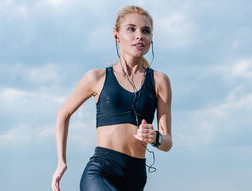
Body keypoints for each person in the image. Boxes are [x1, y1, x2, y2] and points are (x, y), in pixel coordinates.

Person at [51, 5, 173, 191]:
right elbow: (63, 114)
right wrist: (61, 162)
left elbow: (167, 143)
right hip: (101, 171)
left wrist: (155, 137)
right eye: (131, 29)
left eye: (145, 31)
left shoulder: (159, 81)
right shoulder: (97, 77)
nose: (139, 35)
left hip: (136, 177)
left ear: (151, 39)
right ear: (116, 35)